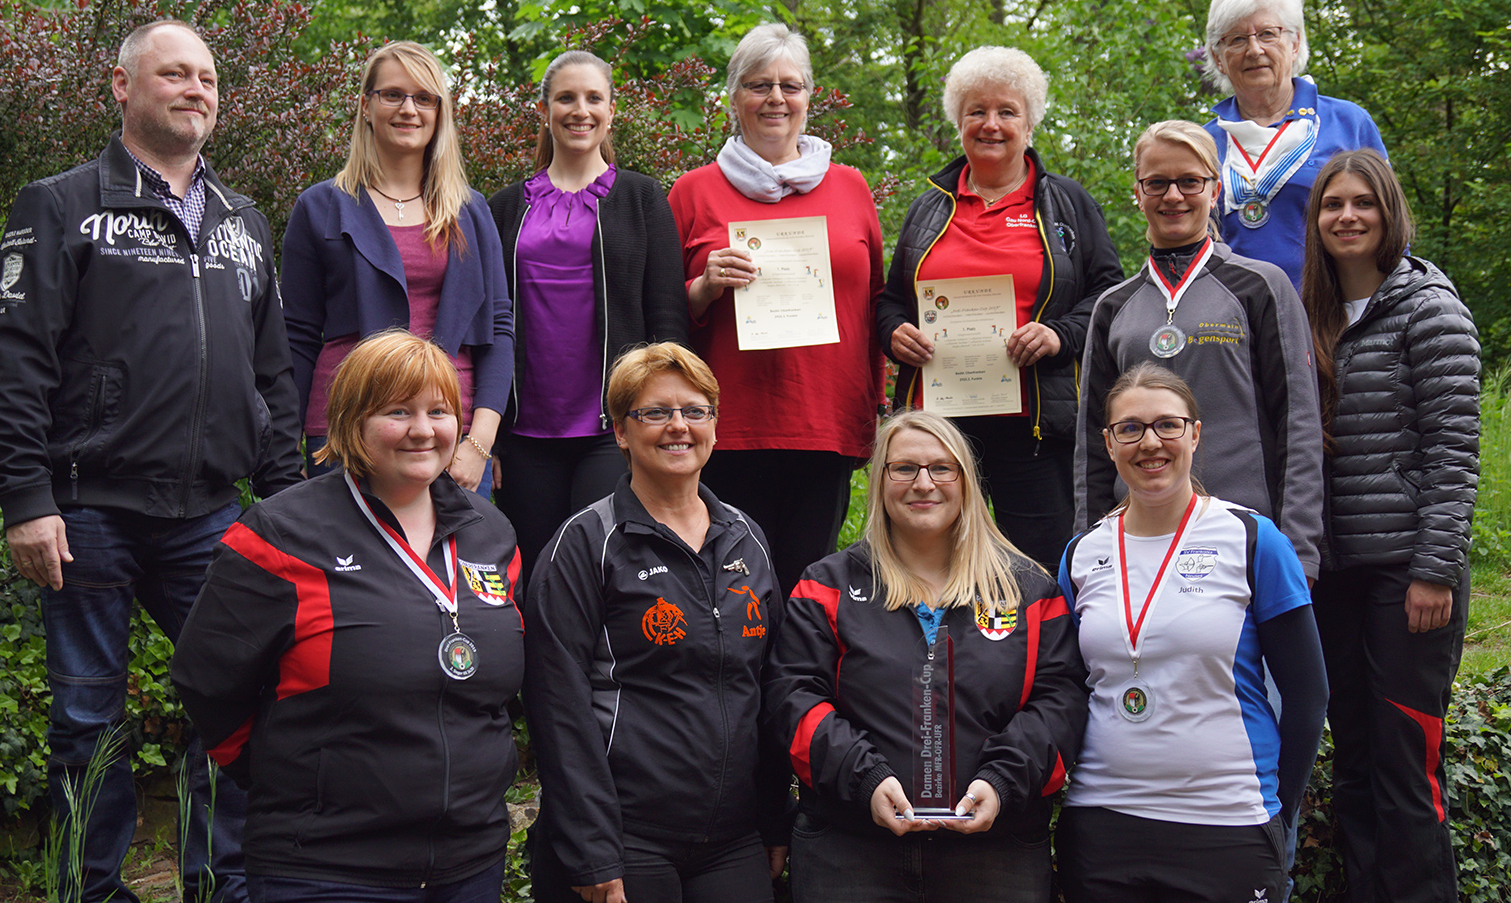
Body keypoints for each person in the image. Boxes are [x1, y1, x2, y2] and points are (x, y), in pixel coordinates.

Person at [0, 19, 303, 903]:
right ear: (124, 88)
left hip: (211, 512)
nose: (195, 88)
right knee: (88, 717)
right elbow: (14, 361)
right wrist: (24, 498)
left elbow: (270, 377)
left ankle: (216, 883)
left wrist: (291, 509)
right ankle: (90, 889)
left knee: (236, 699)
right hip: (87, 509)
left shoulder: (244, 222)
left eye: (206, 76)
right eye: (173, 74)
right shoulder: (61, 204)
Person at [172, 331, 524, 903]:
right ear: (351, 421)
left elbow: (499, 687)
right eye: (397, 411)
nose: (422, 429)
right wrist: (293, 782)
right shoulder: (281, 534)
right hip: (325, 865)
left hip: (470, 861)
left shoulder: (492, 535)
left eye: (439, 411)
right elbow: (206, 682)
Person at [765, 410, 1088, 902]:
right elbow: (793, 698)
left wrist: (1002, 781)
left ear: (966, 481)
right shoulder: (824, 586)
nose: (923, 483)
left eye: (942, 468)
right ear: (879, 481)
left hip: (995, 855)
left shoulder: (1028, 591)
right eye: (904, 468)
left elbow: (1060, 702)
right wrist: (866, 778)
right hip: (851, 852)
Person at [523, 343, 786, 903]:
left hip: (734, 840)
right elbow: (556, 703)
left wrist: (774, 818)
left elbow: (767, 689)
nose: (678, 427)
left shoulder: (747, 537)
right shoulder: (586, 544)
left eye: (695, 411)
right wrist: (590, 846)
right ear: (620, 432)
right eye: (654, 412)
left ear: (715, 425)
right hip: (626, 839)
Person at [1057, 363, 1328, 902]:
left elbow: (1307, 694)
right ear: (1109, 444)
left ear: (1196, 434)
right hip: (1103, 824)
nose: (1149, 442)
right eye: (1130, 428)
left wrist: (1280, 806)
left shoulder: (1252, 540)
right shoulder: (1082, 554)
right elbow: (1064, 689)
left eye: (1168, 425)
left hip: (1227, 822)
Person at [1300, 149, 1479, 902]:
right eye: (1332, 204)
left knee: (1409, 768)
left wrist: (1433, 570)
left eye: (1362, 203)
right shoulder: (1311, 314)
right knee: (1357, 762)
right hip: (1338, 574)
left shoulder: (1429, 306)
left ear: (1388, 212)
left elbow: (1454, 451)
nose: (1347, 216)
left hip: (1410, 576)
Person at [878, 46, 1122, 573]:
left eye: (1007, 111)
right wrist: (894, 331)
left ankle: (1044, 657)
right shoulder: (928, 207)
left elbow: (1109, 293)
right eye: (976, 112)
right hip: (938, 427)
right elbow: (892, 299)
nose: (991, 124)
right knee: (932, 564)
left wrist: (1059, 335)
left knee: (1039, 568)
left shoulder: (1067, 203)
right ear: (958, 121)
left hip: (1032, 426)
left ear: (1029, 122)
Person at [669, 23, 884, 591]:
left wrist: (873, 408)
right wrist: (705, 285)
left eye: (791, 86)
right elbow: (664, 317)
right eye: (759, 85)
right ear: (735, 97)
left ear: (809, 97)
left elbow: (875, 303)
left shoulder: (850, 188)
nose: (776, 99)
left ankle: (799, 686)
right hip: (726, 425)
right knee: (728, 589)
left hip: (825, 421)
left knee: (808, 587)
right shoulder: (693, 191)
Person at [1075, 120, 1324, 579]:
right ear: (1138, 192)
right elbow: (1094, 439)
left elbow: (1299, 423)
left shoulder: (1260, 286)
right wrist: (1089, 545)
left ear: (1214, 191)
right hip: (1138, 539)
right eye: (1157, 182)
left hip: (1243, 538)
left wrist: (1299, 550)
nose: (1173, 196)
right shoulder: (1113, 307)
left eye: (1190, 181)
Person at [488, 49, 688, 575]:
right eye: (567, 98)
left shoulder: (642, 198)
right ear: (545, 110)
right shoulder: (505, 207)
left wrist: (667, 418)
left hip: (613, 429)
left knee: (603, 573)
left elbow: (667, 319)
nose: (581, 110)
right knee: (531, 577)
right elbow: (484, 325)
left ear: (611, 110)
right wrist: (486, 432)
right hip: (524, 432)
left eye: (593, 98)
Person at [281, 40, 514, 490]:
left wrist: (479, 442)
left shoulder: (470, 211)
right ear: (366, 106)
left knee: (451, 561)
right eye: (393, 94)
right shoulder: (320, 206)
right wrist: (289, 440)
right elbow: (298, 335)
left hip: (450, 434)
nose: (409, 109)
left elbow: (498, 330)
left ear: (439, 113)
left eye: (424, 98)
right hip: (346, 428)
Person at [1202, 0, 1388, 288]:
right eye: (1236, 40)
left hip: (1335, 315)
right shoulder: (1203, 144)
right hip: (1233, 323)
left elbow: (1390, 225)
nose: (1254, 49)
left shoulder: (1347, 123)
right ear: (1219, 59)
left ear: (1295, 43)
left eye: (1267, 34)